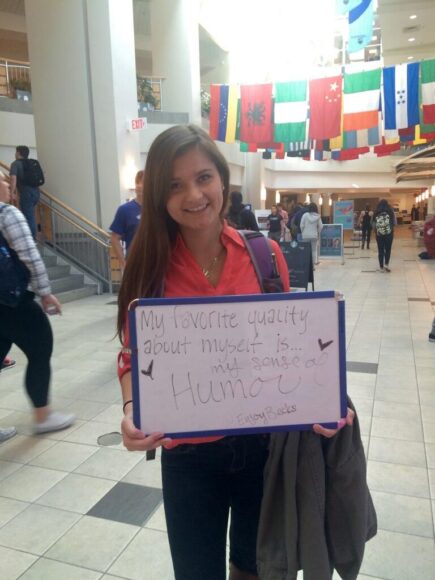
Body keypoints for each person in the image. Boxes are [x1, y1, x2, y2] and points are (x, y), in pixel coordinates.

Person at [116, 125, 353, 580]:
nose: (193, 195)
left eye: (203, 177)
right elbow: (132, 353)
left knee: (256, 568)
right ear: (159, 196)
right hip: (187, 455)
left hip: (262, 449)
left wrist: (325, 400)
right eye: (175, 185)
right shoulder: (149, 267)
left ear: (222, 180)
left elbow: (292, 344)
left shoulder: (265, 256)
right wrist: (131, 410)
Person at [0, 171, 75, 434]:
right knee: (40, 348)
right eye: (3, 180)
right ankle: (43, 416)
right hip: (12, 300)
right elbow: (30, 254)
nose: (8, 184)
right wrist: (45, 292)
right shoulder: (7, 214)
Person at [110, 170, 144, 273]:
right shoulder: (125, 210)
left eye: (144, 182)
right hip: (134, 264)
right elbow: (115, 238)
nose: (140, 186)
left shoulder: (158, 209)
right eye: (138, 182)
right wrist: (123, 263)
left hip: (157, 265)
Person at [9, 145, 41, 239]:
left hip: (26, 193)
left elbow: (13, 178)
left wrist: (12, 193)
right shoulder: (32, 162)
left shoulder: (15, 164)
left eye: (16, 152)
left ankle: (32, 239)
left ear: (18, 153)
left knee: (28, 217)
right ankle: (32, 237)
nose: (15, 154)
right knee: (30, 216)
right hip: (36, 192)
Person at [372, 199, 395, 272]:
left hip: (379, 234)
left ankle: (381, 267)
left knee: (380, 250)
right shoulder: (390, 211)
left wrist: (376, 231)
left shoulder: (376, 212)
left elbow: (373, 224)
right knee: (388, 250)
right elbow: (394, 223)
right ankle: (386, 265)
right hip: (389, 234)